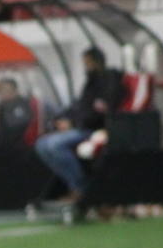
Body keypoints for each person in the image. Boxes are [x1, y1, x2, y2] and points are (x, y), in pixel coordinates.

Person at [33, 47, 123, 207]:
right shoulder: (90, 81)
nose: (85, 66)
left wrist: (73, 123)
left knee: (54, 146)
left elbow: (100, 111)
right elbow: (80, 105)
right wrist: (63, 118)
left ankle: (80, 188)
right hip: (80, 127)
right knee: (41, 145)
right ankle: (73, 184)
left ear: (96, 62)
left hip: (95, 130)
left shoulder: (108, 81)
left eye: (87, 63)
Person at [0, 77, 34, 151]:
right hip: (5, 144)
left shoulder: (21, 104)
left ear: (15, 91)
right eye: (0, 91)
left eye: (6, 90)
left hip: (18, 146)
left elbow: (16, 127)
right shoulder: (2, 105)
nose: (3, 93)